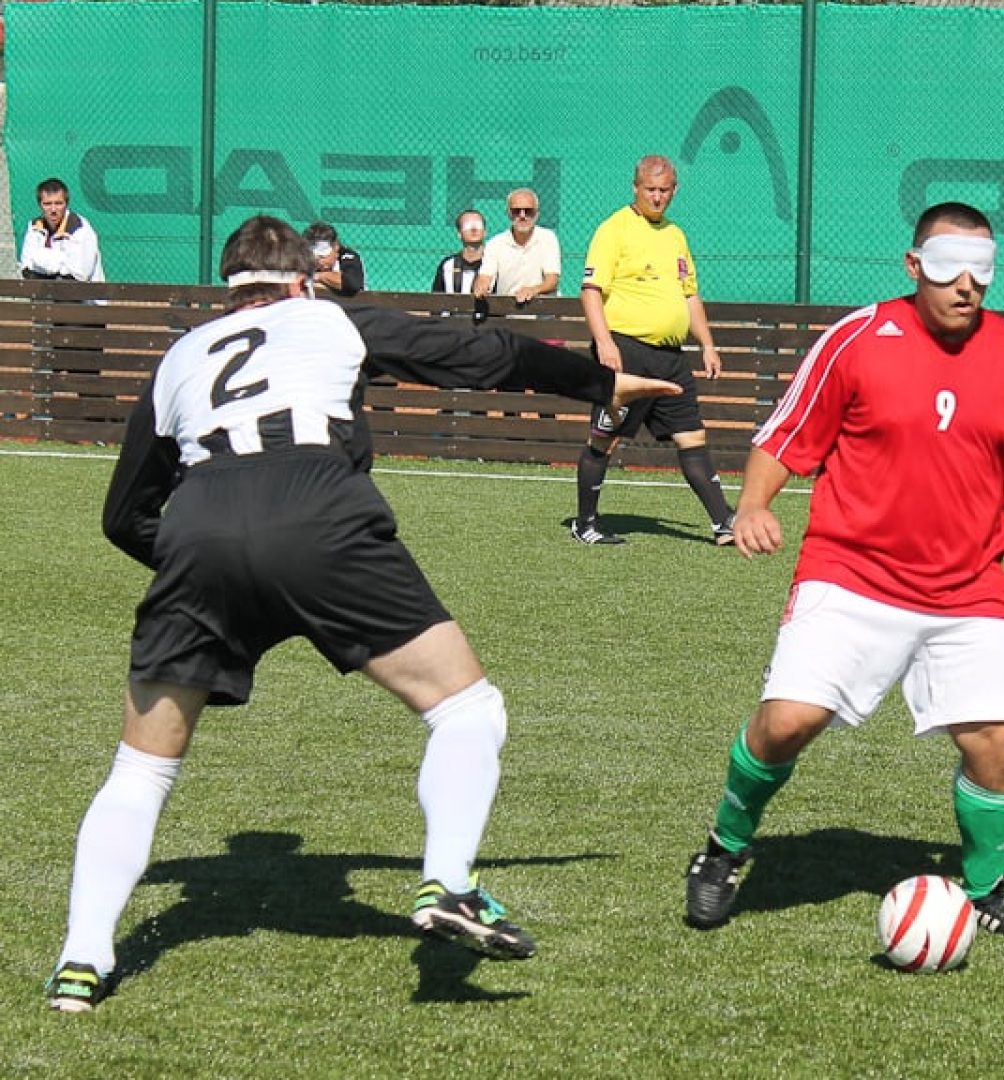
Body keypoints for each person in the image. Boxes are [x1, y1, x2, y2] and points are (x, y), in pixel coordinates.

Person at [42, 214, 680, 1013]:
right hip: (319, 513)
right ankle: (448, 881)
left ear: (226, 289)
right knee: (466, 710)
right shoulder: (331, 316)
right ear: (303, 281)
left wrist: (206, 572)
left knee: (141, 770)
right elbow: (480, 356)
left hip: (198, 532)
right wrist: (595, 382)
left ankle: (81, 962)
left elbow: (124, 515)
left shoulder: (179, 357)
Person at [680, 202, 1004, 940]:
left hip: (968, 590)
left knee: (995, 745)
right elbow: (784, 437)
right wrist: (753, 505)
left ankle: (986, 889)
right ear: (913, 263)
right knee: (787, 722)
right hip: (850, 575)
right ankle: (724, 848)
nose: (967, 283)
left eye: (982, 268)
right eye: (950, 264)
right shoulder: (857, 340)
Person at [569, 155, 734, 546]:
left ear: (674, 190)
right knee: (604, 438)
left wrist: (707, 344)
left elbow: (689, 294)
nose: (658, 197)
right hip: (627, 354)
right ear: (636, 188)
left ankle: (723, 521)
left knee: (691, 437)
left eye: (665, 190)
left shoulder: (676, 234)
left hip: (672, 358)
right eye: (650, 189)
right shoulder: (614, 229)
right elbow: (591, 291)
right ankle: (585, 523)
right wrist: (605, 344)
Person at [474, 188, 561, 305]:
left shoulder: (548, 238)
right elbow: (485, 276)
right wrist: (481, 286)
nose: (522, 215)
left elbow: (552, 280)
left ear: (537, 214)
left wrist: (532, 291)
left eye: (528, 211)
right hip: (508, 311)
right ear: (509, 214)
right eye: (516, 211)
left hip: (543, 311)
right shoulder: (495, 244)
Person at [19, 177, 105, 282]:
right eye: (47, 204)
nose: (53, 209)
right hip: (44, 295)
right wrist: (62, 262)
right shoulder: (33, 227)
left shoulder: (80, 229)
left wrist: (40, 260)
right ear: (39, 205)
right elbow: (26, 270)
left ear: (66, 203)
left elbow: (80, 275)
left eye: (58, 203)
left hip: (84, 296)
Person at [429, 209, 488, 296]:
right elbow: (435, 300)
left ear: (485, 232)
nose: (473, 229)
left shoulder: (494, 264)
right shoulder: (447, 265)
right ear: (459, 234)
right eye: (467, 225)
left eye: (478, 225)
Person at [304, 222, 365, 297]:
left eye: (322, 256)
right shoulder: (304, 258)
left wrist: (317, 276)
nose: (319, 261)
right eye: (315, 257)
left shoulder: (348, 256)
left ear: (335, 247)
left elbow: (352, 284)